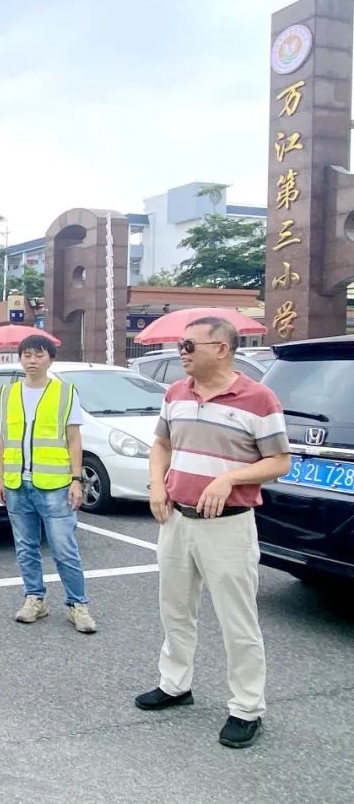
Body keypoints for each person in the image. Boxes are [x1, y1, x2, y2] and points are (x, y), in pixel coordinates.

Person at [136, 317, 290, 749]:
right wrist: (156, 485)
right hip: (176, 519)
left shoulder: (258, 398)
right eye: (180, 345)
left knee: (237, 620)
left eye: (189, 345)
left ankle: (246, 707)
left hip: (228, 526)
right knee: (174, 609)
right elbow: (162, 444)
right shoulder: (176, 393)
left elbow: (279, 461)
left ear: (222, 348)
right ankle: (175, 684)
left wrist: (229, 479)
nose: (181, 352)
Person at [0, 334, 97, 634]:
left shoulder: (64, 392)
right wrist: (0, 477)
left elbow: (74, 439)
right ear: (20, 359)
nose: (32, 361)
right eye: (27, 355)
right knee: (25, 547)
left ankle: (78, 605)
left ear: (50, 358)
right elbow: (3, 438)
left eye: (39, 355)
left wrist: (76, 479)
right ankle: (34, 599)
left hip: (54, 484)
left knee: (64, 549)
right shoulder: (8, 392)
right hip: (17, 483)